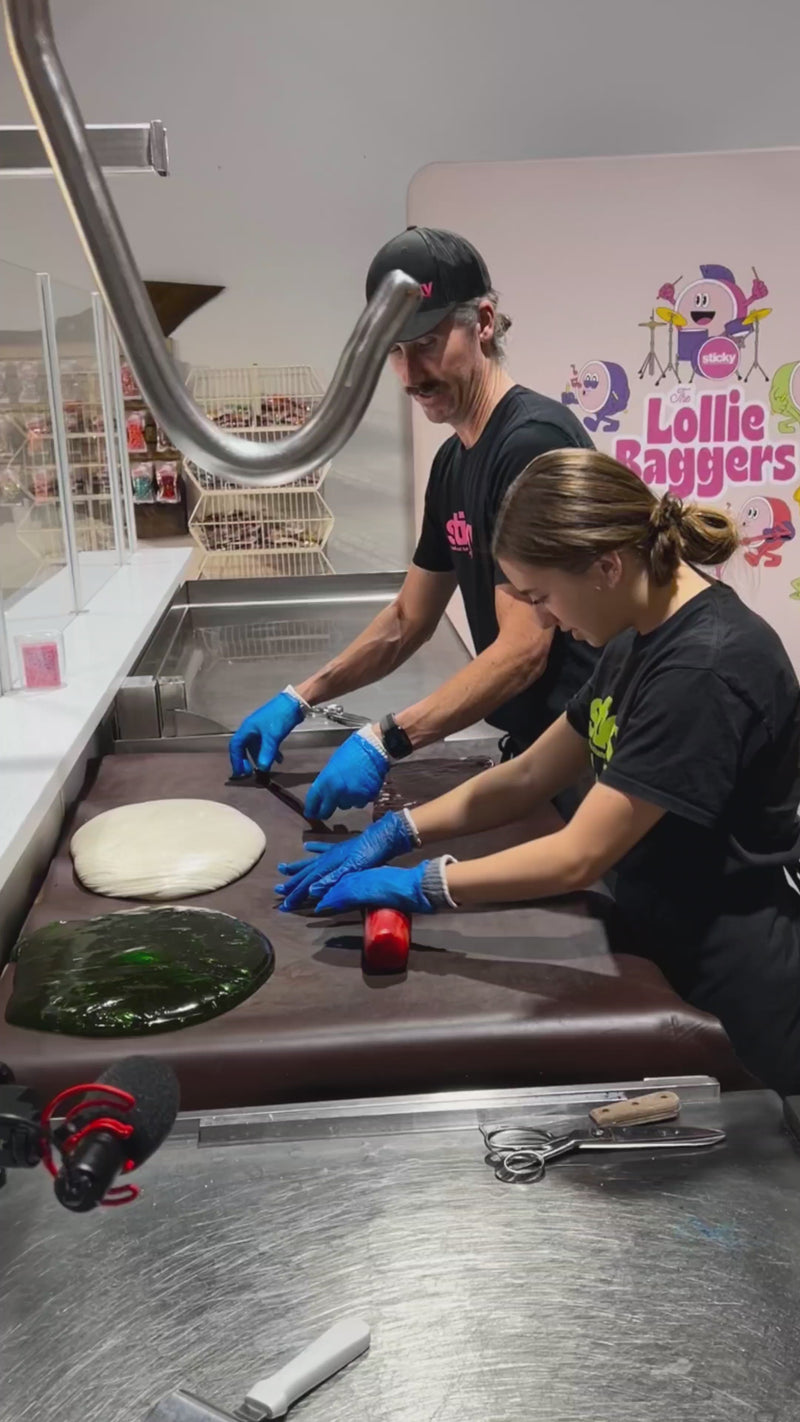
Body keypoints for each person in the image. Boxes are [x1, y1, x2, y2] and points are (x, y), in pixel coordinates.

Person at [276, 449, 800, 1095]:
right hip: (655, 936)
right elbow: (529, 775)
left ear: (606, 566)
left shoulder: (703, 669)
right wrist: (398, 831)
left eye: (542, 596)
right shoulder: (635, 635)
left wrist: (424, 885)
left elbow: (578, 855)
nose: (544, 618)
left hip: (731, 990)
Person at [230, 227, 596, 820]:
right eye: (395, 352)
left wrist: (388, 739)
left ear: (483, 322)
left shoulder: (531, 444)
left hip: (588, 754)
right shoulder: (453, 462)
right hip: (534, 750)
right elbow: (409, 619)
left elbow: (523, 650)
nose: (409, 374)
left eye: (426, 343)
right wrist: (301, 697)